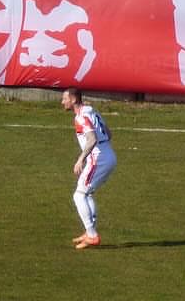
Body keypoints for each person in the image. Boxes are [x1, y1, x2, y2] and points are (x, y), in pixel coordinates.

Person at [61, 86, 116, 250]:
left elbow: (91, 139)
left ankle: (92, 235)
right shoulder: (92, 111)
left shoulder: (81, 117)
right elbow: (109, 133)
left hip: (98, 159)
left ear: (73, 99)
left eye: (64, 98)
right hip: (109, 155)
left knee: (79, 195)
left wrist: (80, 159)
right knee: (87, 193)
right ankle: (89, 231)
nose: (62, 101)